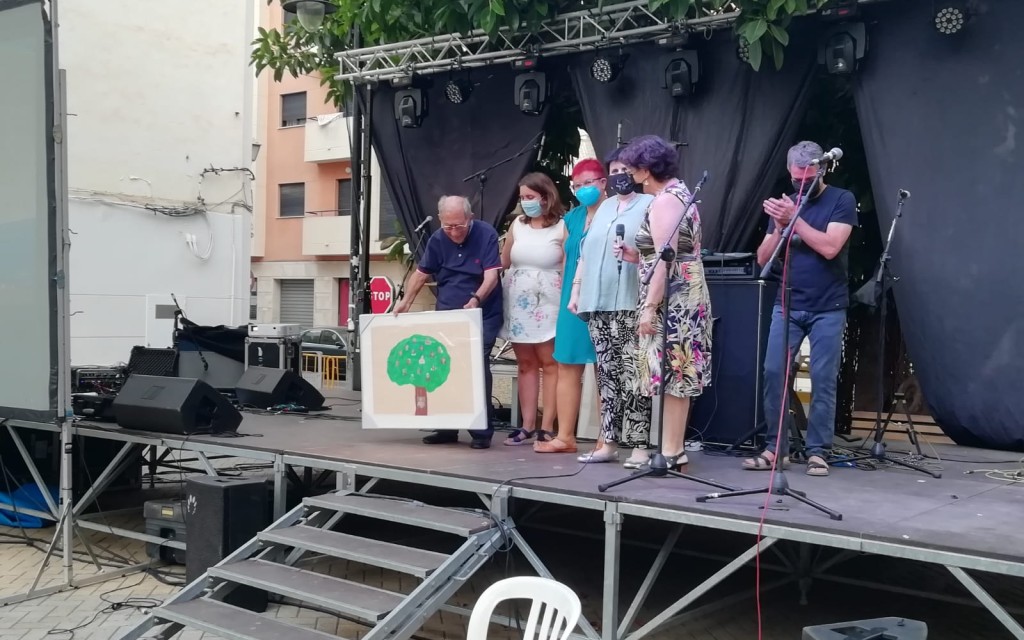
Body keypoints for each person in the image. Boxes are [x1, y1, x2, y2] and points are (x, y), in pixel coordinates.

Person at [742, 141, 858, 477]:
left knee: (823, 377)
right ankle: (775, 448)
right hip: (788, 302)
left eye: (808, 179)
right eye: (796, 180)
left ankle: (818, 451)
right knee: (773, 372)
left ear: (822, 170)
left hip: (828, 305)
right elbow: (762, 258)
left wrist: (794, 219)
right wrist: (780, 225)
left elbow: (830, 247)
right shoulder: (785, 205)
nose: (802, 185)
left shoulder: (841, 200)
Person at [616, 135, 712, 469]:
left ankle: (672, 450)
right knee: (677, 372)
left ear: (646, 169)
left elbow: (665, 261)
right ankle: (673, 450)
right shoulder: (678, 193)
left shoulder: (666, 201)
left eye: (632, 167)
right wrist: (636, 256)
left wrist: (649, 308)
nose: (628, 174)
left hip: (675, 297)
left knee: (674, 372)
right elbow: (667, 254)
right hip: (683, 291)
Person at [393, 195, 503, 449]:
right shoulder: (437, 239)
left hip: (481, 312)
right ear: (440, 220)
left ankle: (481, 432)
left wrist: (476, 300)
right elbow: (421, 274)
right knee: (443, 363)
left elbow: (491, 277)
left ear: (470, 218)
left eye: (459, 226)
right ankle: (446, 428)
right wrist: (406, 301)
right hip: (448, 311)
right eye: (448, 226)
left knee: (475, 365)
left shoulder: (486, 234)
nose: (453, 232)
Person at [567, 150, 655, 465]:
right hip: (597, 301)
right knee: (606, 374)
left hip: (630, 301)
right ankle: (608, 443)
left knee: (633, 374)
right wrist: (576, 290)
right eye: (614, 170)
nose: (620, 176)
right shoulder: (604, 207)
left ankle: (640, 445)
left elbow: (657, 251)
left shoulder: (649, 204)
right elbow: (585, 253)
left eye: (625, 170)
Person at [534, 159, 604, 454]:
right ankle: (565, 436)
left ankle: (605, 439)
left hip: (605, 298)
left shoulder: (616, 211)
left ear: (603, 183)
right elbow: (565, 257)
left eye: (588, 183)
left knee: (605, 369)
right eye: (577, 185)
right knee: (567, 364)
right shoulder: (573, 218)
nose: (582, 189)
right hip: (572, 299)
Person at [499, 172, 566, 445]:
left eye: (530, 196)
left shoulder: (562, 226)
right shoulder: (517, 224)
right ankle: (526, 425)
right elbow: (504, 260)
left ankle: (547, 426)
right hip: (518, 302)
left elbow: (569, 264)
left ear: (546, 197)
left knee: (550, 363)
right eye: (522, 197)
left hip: (550, 300)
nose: (525, 202)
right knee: (525, 363)